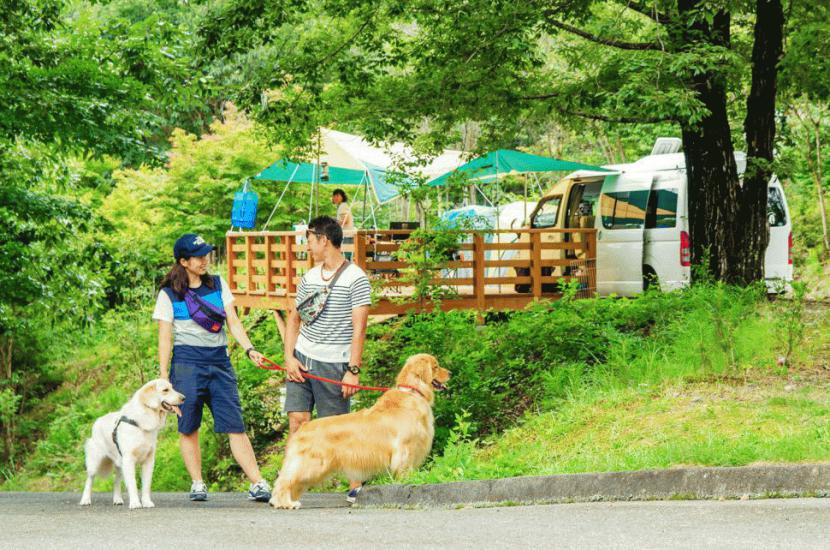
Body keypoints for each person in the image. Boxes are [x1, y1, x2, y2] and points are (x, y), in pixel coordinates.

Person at [153, 233, 272, 503]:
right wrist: (163, 377)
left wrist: (249, 348)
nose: (205, 259)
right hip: (186, 364)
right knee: (188, 424)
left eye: (206, 254)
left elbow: (233, 320)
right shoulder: (169, 294)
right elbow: (164, 336)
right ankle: (197, 483)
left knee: (234, 423)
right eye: (198, 256)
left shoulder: (218, 284)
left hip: (219, 361)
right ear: (183, 261)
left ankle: (258, 482)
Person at [282, 216, 371, 503]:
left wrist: (353, 370)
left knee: (337, 429)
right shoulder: (309, 277)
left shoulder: (355, 278)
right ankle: (287, 484)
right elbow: (294, 320)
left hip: (335, 363)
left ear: (324, 240)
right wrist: (289, 358)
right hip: (303, 358)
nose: (307, 246)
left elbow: (360, 328)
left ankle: (357, 485)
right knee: (297, 420)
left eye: (309, 240)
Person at [331, 189, 354, 260]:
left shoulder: (343, 206)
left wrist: (332, 222)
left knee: (344, 260)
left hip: (346, 236)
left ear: (343, 197)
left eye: (338, 195)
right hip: (347, 236)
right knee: (345, 259)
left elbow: (344, 221)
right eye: (334, 196)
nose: (336, 198)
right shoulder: (342, 206)